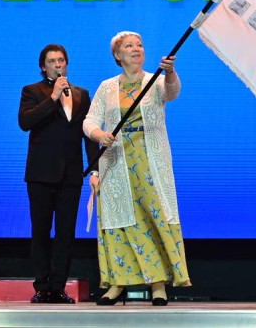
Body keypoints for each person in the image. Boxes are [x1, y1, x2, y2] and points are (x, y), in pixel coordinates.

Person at [83, 31, 191, 306]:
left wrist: (170, 72)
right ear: (117, 55)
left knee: (153, 217)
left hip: (149, 162)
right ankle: (116, 284)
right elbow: (89, 121)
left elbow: (172, 92)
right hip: (116, 162)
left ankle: (158, 285)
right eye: (129, 46)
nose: (136, 49)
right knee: (118, 222)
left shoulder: (154, 81)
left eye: (140, 45)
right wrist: (99, 135)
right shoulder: (107, 87)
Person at [18, 44, 99, 304]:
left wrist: (94, 168)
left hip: (71, 175)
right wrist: (52, 97)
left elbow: (88, 135)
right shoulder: (32, 91)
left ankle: (58, 287)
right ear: (43, 66)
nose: (57, 65)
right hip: (40, 175)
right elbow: (25, 122)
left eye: (61, 60)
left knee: (65, 234)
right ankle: (42, 287)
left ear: (67, 63)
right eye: (52, 61)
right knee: (41, 232)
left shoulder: (81, 94)